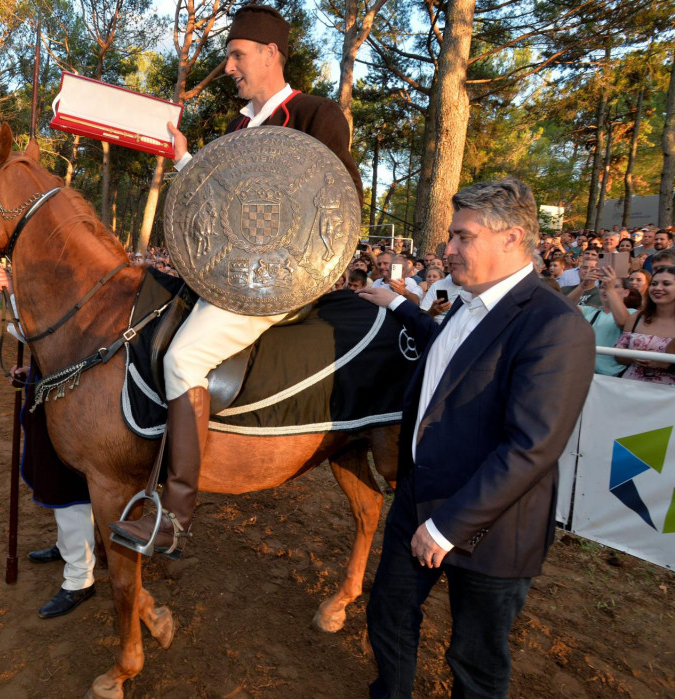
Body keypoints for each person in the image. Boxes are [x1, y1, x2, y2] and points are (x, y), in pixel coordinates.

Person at [109, 4, 363, 559]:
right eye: (229, 56)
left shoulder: (319, 114)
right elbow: (220, 204)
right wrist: (183, 160)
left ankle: (175, 514)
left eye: (236, 55)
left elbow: (338, 205)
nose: (228, 67)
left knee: (182, 360)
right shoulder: (236, 129)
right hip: (227, 276)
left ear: (271, 55)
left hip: (278, 281)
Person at [357, 177, 594, 698]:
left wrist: (446, 528)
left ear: (511, 239)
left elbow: (531, 446)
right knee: (388, 613)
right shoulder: (467, 302)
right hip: (417, 499)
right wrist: (395, 305)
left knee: (476, 660)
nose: (448, 249)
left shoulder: (556, 326)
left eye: (463, 237)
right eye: (450, 236)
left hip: (492, 527)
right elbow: (451, 354)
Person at [0, 265, 97, 618]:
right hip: (50, 390)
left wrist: (15, 291)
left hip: (70, 406)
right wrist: (31, 371)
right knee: (58, 487)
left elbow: (44, 328)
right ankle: (70, 548)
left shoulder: (76, 282)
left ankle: (80, 578)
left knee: (68, 489)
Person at [615, 266, 675, 385]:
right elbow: (618, 356)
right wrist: (632, 355)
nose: (658, 288)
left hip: (668, 397)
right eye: (654, 283)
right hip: (630, 389)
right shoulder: (636, 317)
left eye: (666, 284)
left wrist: (665, 364)